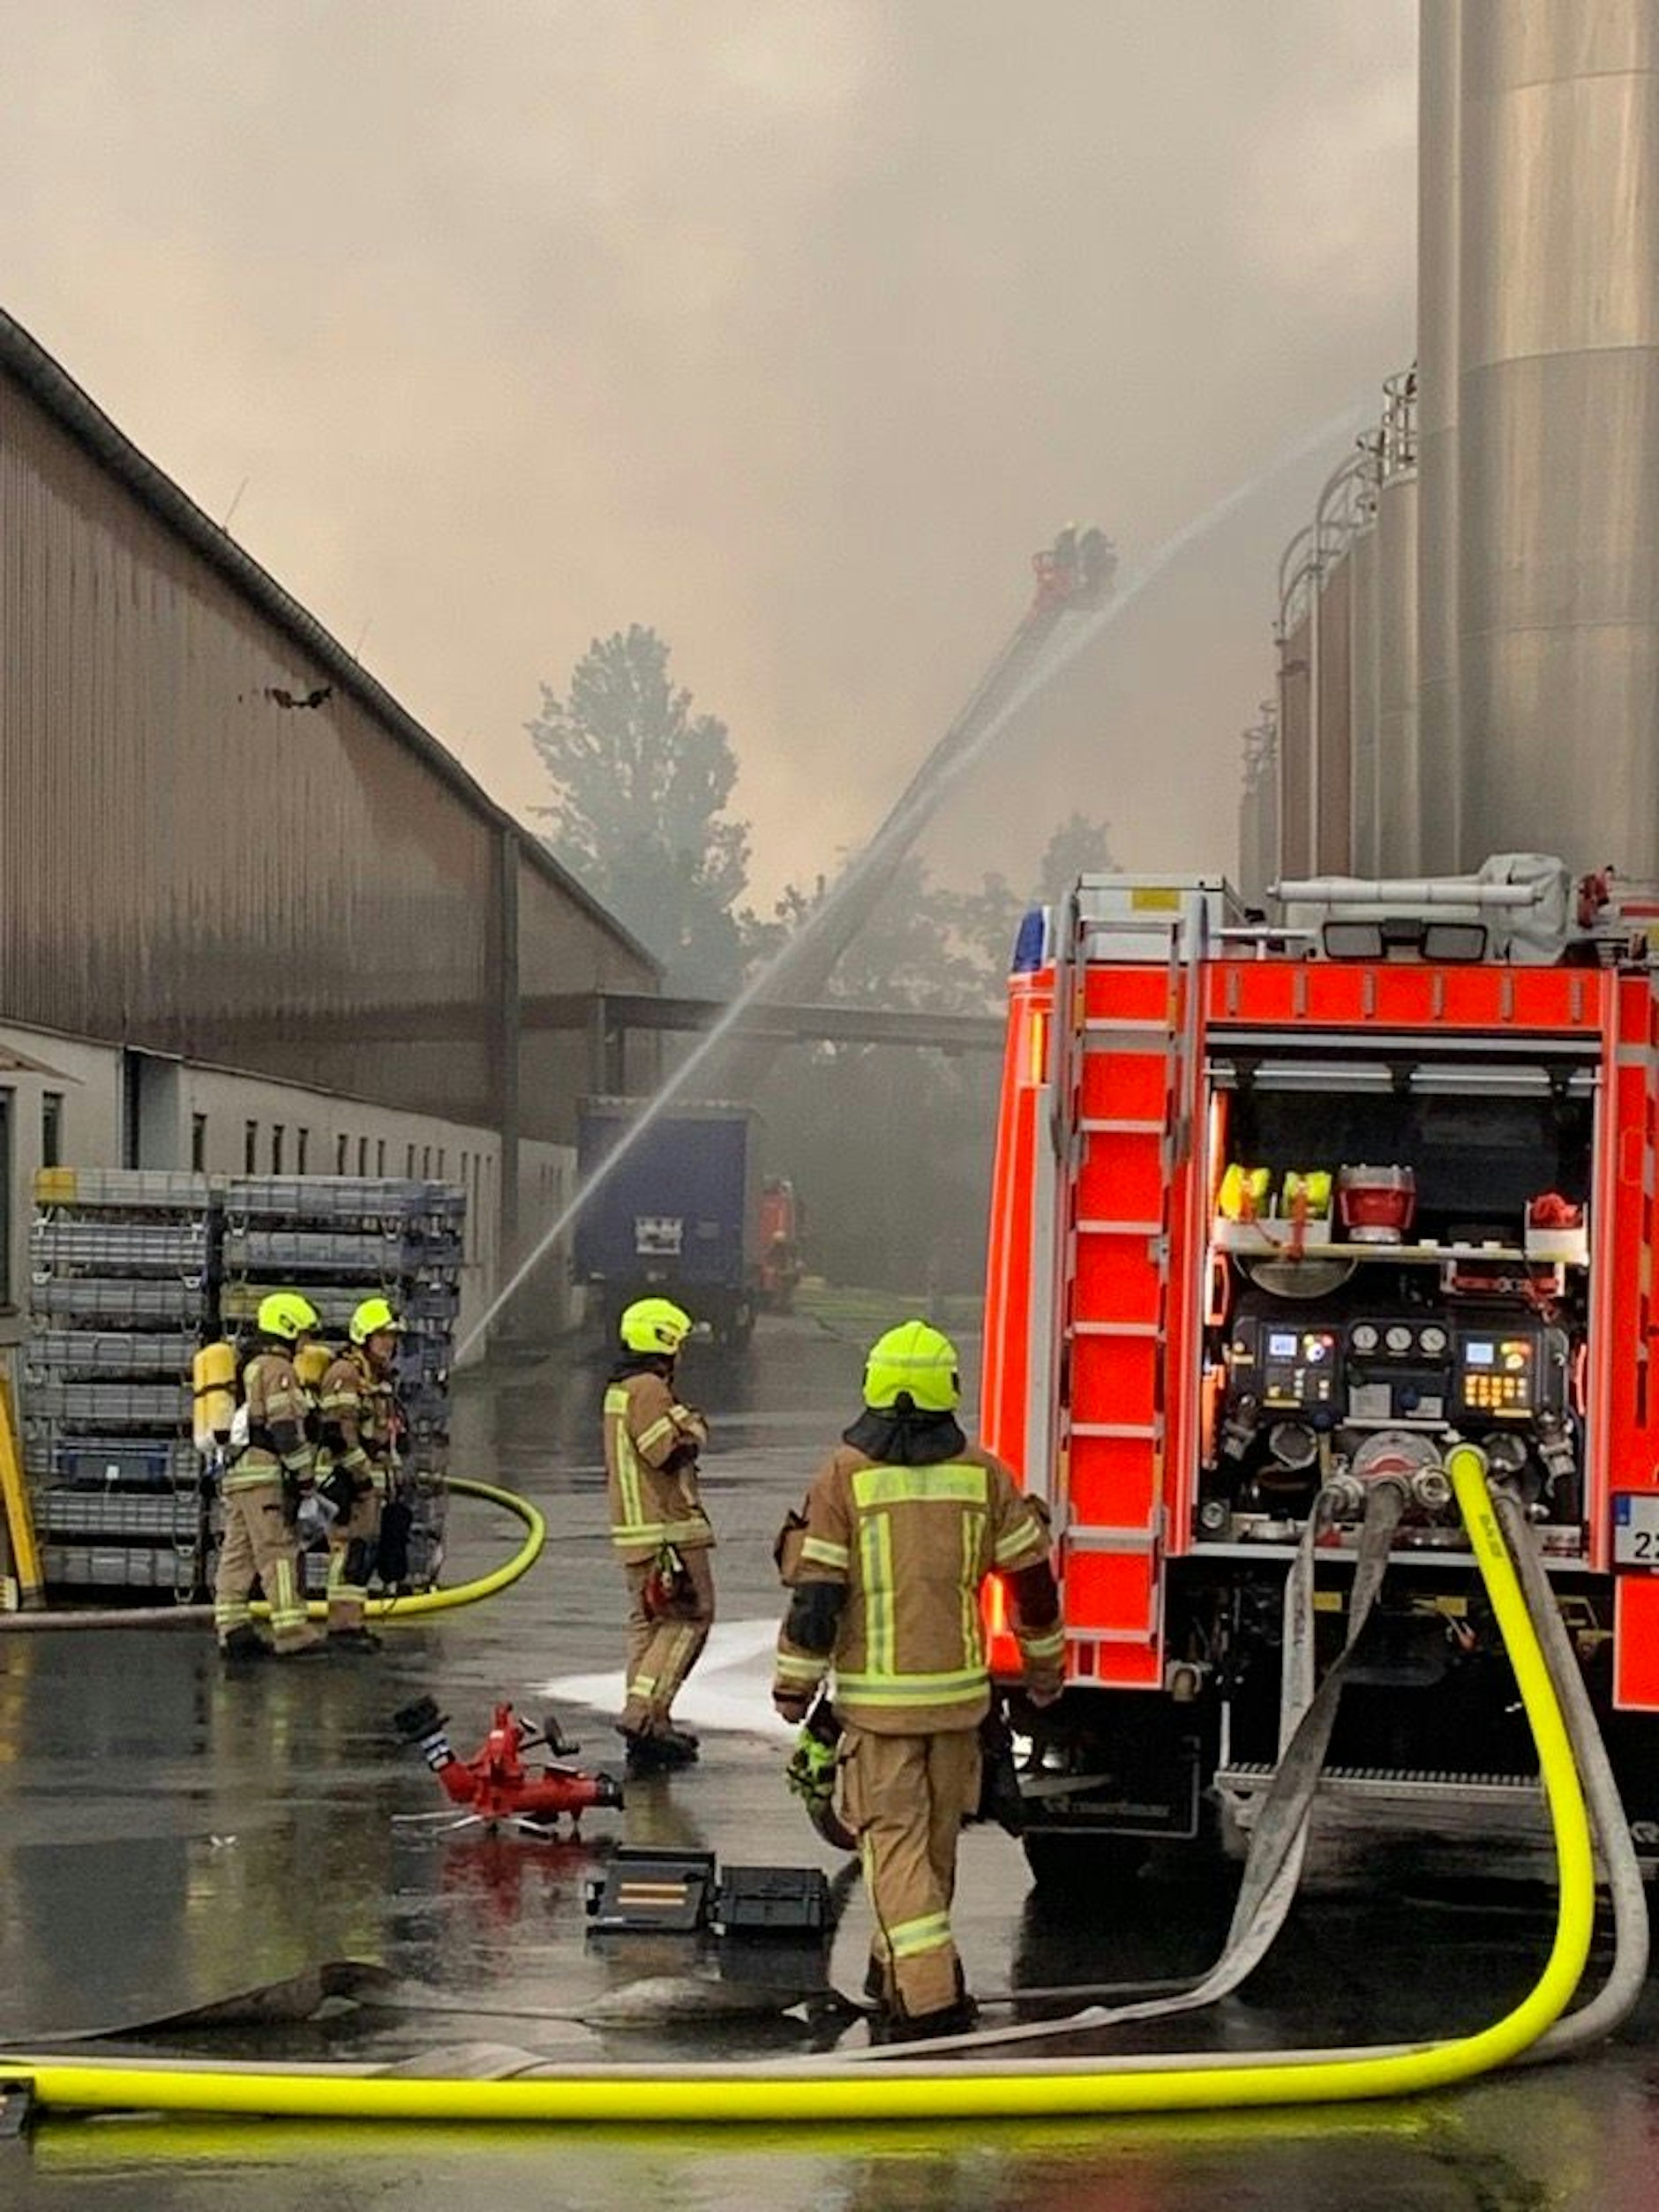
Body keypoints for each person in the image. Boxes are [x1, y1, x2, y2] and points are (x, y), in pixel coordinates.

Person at [772, 1318, 1063, 2040]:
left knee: (895, 1851)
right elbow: (1033, 1580)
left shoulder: (844, 1475)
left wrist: (794, 1686)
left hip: (879, 1715)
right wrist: (1043, 1669)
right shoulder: (984, 1473)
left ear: (873, 1385)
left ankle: (929, 2002)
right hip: (960, 1708)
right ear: (947, 1388)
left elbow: (817, 1595)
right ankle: (890, 1972)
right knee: (932, 1854)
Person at [604, 1296, 716, 1770]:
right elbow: (665, 1451)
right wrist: (693, 1426)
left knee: (648, 1628)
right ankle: (643, 1713)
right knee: (690, 1618)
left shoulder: (621, 1389)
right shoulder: (649, 1389)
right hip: (667, 1531)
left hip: (637, 1532)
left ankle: (652, 1726)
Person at [214, 1291, 327, 1661]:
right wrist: (305, 1477)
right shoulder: (278, 1370)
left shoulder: (247, 1365)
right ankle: (292, 1631)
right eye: (304, 1335)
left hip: (238, 1475)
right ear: (288, 1329)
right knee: (277, 1551)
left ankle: (233, 1629)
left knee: (238, 1553)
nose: (306, 1344)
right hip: (264, 1477)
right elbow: (285, 1430)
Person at [314, 1295, 402, 1653]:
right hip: (346, 1484)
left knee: (362, 1552)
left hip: (368, 1483)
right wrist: (361, 1476)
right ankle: (342, 1627)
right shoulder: (345, 1375)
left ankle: (352, 1622)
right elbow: (340, 1434)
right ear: (363, 1336)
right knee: (347, 1552)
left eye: (392, 1337)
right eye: (382, 1336)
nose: (389, 1343)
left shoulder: (377, 1378)